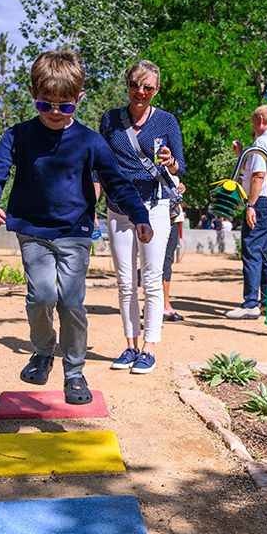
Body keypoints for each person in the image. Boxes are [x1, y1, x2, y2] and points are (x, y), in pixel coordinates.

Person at [0, 50, 153, 405]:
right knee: (41, 295)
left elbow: (117, 183)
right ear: (32, 94)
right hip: (32, 229)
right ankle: (42, 353)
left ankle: (74, 373)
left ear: (78, 99)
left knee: (71, 302)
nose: (55, 112)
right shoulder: (19, 135)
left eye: (65, 106)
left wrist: (140, 215)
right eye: (46, 105)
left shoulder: (91, 141)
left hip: (75, 231)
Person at [94, 59, 185, 374]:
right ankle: (130, 346)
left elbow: (179, 168)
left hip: (154, 206)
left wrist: (170, 161)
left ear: (156, 90)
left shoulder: (167, 122)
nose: (140, 92)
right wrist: (90, 207)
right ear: (127, 85)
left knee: (151, 279)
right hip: (119, 209)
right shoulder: (110, 121)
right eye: (135, 85)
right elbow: (98, 167)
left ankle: (149, 348)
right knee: (124, 281)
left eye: (147, 87)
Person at [225, 104, 267, 320]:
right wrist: (241, 154)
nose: (253, 126)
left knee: (251, 250)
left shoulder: (262, 142)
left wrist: (250, 205)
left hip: (260, 201)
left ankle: (250, 303)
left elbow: (258, 175)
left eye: (253, 122)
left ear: (260, 120)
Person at [163, 181, 186, 322]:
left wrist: (181, 186)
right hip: (163, 215)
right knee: (163, 262)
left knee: (166, 261)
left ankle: (163, 304)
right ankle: (162, 306)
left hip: (174, 215)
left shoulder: (174, 162)